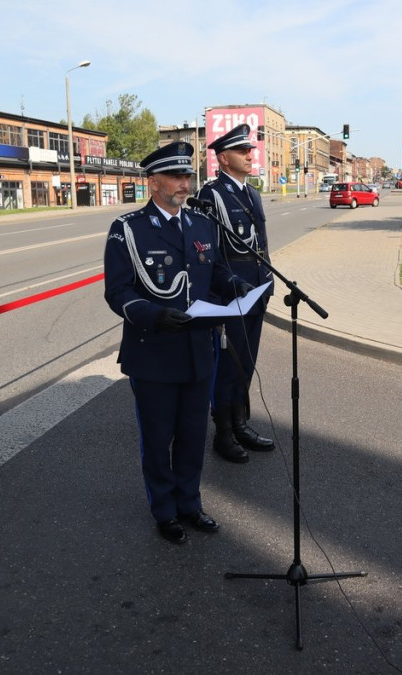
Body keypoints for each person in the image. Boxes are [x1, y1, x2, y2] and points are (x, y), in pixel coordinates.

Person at [104, 141, 250, 545]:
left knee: (191, 434)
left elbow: (216, 271)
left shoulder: (201, 224)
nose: (185, 183)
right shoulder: (128, 229)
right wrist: (153, 314)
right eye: (176, 176)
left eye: (187, 175)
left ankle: (190, 503)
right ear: (153, 183)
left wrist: (234, 283)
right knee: (158, 436)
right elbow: (117, 292)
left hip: (198, 350)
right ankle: (164, 510)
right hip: (154, 353)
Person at [196, 124, 275, 464]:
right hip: (229, 295)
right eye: (243, 151)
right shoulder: (211, 195)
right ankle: (223, 432)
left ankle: (241, 423)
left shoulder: (252, 193)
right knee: (227, 367)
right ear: (224, 158)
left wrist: (267, 278)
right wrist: (225, 290)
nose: (250, 155)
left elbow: (261, 242)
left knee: (247, 363)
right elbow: (208, 254)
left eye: (250, 150)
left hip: (256, 289)